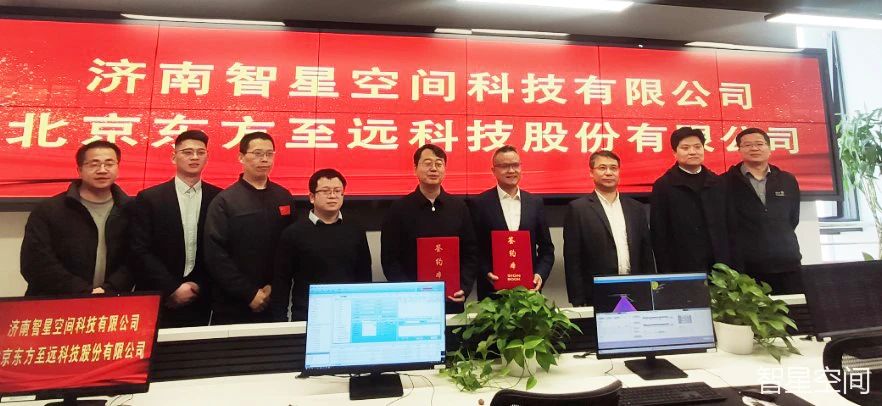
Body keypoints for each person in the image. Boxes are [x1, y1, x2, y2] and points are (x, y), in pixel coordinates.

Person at [130, 130, 222, 328]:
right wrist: (172, 288)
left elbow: (220, 249)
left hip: (201, 297)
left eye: (200, 152)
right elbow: (139, 249)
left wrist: (198, 285)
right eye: (187, 152)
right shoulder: (149, 198)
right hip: (159, 296)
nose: (194, 157)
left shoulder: (219, 198)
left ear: (207, 157)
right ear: (174, 157)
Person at [204, 132, 295, 324]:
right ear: (241, 157)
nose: (264, 159)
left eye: (269, 154)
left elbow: (291, 248)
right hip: (233, 302)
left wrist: (274, 286)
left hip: (275, 299)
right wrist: (248, 292)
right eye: (257, 153)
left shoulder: (284, 196)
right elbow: (215, 254)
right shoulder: (225, 201)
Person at [21, 141, 133, 296]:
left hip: (113, 300)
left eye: (109, 164)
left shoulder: (132, 210)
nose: (102, 170)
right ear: (79, 170)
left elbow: (136, 258)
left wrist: (109, 289)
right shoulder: (49, 209)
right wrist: (82, 291)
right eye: (94, 164)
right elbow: (35, 262)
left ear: (118, 168)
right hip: (56, 300)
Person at [381, 144, 478, 313]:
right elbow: (390, 259)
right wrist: (408, 291)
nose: (433, 168)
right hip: (411, 301)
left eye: (439, 164)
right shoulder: (399, 209)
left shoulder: (459, 207)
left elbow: (470, 252)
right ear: (415, 168)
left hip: (451, 298)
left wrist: (464, 286)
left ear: (445, 170)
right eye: (427, 163)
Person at [271, 169, 372, 321]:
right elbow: (282, 282)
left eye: (337, 191)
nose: (332, 196)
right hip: (308, 316)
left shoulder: (355, 229)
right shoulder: (293, 233)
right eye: (326, 191)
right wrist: (280, 322)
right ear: (312, 197)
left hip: (348, 314)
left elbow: (364, 275)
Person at [563, 150, 655, 306]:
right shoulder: (578, 209)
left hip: (635, 288)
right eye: (602, 168)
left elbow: (646, 254)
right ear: (591, 172)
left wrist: (650, 289)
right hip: (597, 292)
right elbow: (572, 259)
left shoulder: (636, 208)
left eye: (613, 168)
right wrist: (577, 299)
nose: (608, 173)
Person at [469, 145, 554, 300]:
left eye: (515, 165)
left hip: (529, 294)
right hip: (492, 294)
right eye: (504, 166)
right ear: (493, 170)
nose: (511, 170)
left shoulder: (535, 203)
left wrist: (540, 275)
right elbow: (473, 248)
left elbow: (547, 249)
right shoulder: (479, 203)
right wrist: (486, 272)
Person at [725, 128, 802, 293]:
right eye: (747, 145)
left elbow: (792, 218)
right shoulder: (725, 182)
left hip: (787, 263)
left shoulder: (787, 180)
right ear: (739, 150)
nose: (754, 148)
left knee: (793, 307)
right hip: (746, 268)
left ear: (769, 148)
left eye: (759, 144)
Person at [650, 126, 729, 274]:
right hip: (682, 267)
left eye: (697, 147)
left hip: (720, 266)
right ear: (675, 152)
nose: (693, 152)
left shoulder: (718, 183)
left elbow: (730, 226)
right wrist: (667, 273)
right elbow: (659, 234)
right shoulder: (664, 185)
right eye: (685, 148)